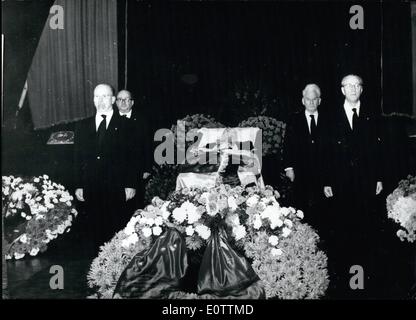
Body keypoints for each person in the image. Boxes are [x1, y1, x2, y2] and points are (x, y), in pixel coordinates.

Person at [323, 74, 384, 298]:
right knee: (342, 227)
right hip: (340, 183)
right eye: (348, 85)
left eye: (357, 85)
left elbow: (379, 151)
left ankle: (364, 275)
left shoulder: (372, 116)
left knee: (366, 226)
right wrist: (327, 181)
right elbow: (325, 153)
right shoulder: (330, 117)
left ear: (361, 89)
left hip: (366, 182)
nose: (353, 89)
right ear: (342, 90)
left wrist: (378, 178)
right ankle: (346, 275)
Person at [74, 84, 137, 249]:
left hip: (116, 186)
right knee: (94, 230)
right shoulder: (82, 126)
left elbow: (131, 157)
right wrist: (79, 184)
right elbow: (78, 158)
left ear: (113, 99)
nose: (101, 100)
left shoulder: (126, 125)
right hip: (91, 186)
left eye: (105, 96)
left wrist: (130, 183)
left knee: (117, 229)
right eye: (97, 96)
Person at [282, 84, 329, 236]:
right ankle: (303, 236)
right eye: (308, 99)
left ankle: (321, 236)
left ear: (319, 101)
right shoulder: (294, 119)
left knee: (322, 207)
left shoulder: (329, 120)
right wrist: (289, 168)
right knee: (301, 205)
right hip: (300, 171)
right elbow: (287, 145)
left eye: (314, 99)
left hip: (323, 171)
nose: (311, 102)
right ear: (303, 101)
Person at [115, 89, 153, 209]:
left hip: (136, 170)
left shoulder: (142, 120)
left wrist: (147, 168)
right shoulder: (109, 120)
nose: (123, 102)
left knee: (135, 204)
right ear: (116, 103)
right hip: (115, 170)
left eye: (126, 99)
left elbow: (147, 145)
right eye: (120, 99)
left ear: (132, 102)